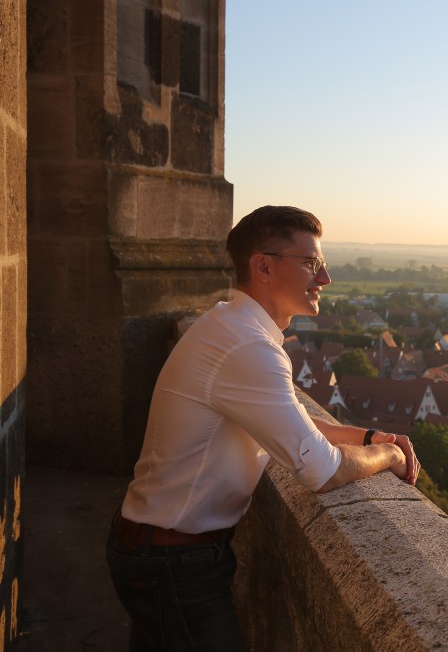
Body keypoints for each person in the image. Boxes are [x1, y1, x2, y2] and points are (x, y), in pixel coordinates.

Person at [106, 205, 420, 651]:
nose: (325, 277)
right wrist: (391, 457)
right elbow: (323, 472)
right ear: (264, 266)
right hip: (172, 560)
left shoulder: (231, 326)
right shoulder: (248, 347)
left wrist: (370, 438)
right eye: (311, 263)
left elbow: (290, 417)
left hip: (159, 548)